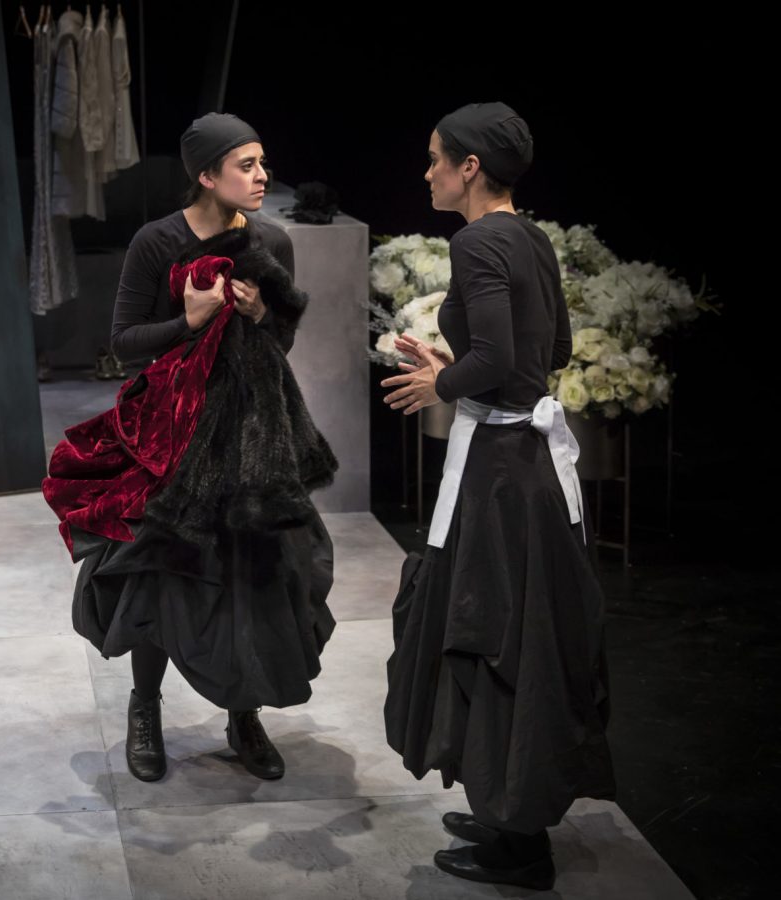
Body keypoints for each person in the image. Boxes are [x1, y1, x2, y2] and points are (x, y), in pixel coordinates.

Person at [44, 112, 338, 784]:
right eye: (246, 165)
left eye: (262, 163)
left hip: (250, 433)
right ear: (206, 175)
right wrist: (190, 319)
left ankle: (244, 713)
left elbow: (281, 343)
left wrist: (259, 315)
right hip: (171, 432)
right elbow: (124, 342)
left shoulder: (270, 241)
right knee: (159, 570)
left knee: (251, 572)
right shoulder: (158, 242)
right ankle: (144, 707)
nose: (261, 177)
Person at [380, 101, 616, 891]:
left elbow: (501, 359)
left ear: (470, 167)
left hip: (503, 479)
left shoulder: (478, 240)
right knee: (516, 635)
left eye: (436, 158)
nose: (428, 173)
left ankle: (521, 844)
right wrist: (458, 365)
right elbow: (552, 351)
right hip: (528, 469)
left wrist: (441, 382)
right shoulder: (531, 237)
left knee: (497, 638)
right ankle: (507, 806)